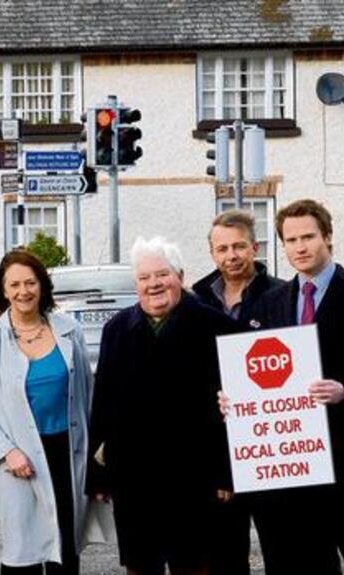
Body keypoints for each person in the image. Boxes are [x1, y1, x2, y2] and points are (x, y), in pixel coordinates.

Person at [242, 199, 344, 575]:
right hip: (293, 464)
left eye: (308, 236)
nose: (300, 247)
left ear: (327, 236)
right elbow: (255, 369)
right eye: (291, 240)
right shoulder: (270, 301)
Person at [87, 236, 236, 575]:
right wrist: (96, 475)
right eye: (144, 278)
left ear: (180, 276)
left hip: (195, 480)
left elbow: (235, 409)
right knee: (141, 566)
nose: (153, 284)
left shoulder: (216, 326)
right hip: (135, 480)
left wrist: (227, 472)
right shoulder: (117, 329)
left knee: (194, 565)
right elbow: (104, 402)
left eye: (162, 274)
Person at [0, 249, 93, 575]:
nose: (23, 291)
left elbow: (86, 393)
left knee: (65, 550)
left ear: (42, 286)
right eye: (14, 284)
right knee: (21, 552)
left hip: (66, 452)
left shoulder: (69, 330)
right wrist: (7, 452)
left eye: (30, 282)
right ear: (3, 290)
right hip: (18, 459)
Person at [191, 210, 285, 575]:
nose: (231, 255)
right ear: (212, 253)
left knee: (282, 548)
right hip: (216, 446)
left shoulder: (281, 295)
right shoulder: (195, 298)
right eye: (222, 248)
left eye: (239, 246)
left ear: (255, 247)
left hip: (270, 444)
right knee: (225, 555)